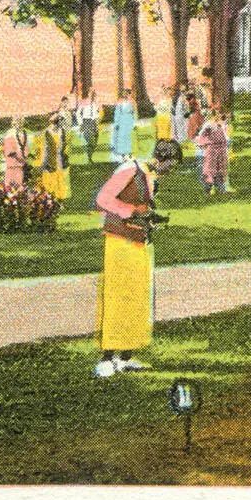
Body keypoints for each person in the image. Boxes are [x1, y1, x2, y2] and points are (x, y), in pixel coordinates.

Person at [92, 139, 180, 377]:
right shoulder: (130, 169)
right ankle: (107, 358)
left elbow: (142, 206)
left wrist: (150, 217)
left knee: (139, 297)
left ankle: (126, 356)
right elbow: (102, 199)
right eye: (170, 165)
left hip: (139, 241)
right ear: (161, 158)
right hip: (120, 240)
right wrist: (131, 212)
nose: (170, 171)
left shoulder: (151, 177)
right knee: (119, 296)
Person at [33, 112, 72, 201]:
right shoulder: (46, 133)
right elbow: (45, 150)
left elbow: (65, 146)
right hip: (50, 161)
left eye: (56, 122)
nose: (54, 124)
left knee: (61, 182)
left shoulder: (62, 131)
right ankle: (52, 201)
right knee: (51, 182)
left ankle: (61, 201)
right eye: (53, 122)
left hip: (60, 161)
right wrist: (42, 164)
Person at [195, 106, 230, 195]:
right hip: (211, 150)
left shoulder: (222, 125)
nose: (220, 116)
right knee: (210, 169)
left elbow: (225, 137)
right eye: (218, 114)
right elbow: (201, 136)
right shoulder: (208, 125)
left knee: (220, 168)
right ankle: (208, 189)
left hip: (221, 149)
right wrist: (202, 145)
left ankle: (222, 188)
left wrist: (226, 146)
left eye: (221, 114)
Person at [0, 115, 30, 189]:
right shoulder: (9, 134)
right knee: (9, 182)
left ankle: (19, 195)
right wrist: (11, 153)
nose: (18, 124)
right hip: (11, 163)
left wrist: (25, 155)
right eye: (16, 122)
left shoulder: (23, 134)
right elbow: (6, 148)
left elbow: (25, 147)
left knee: (19, 181)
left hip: (20, 163)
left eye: (20, 122)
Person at [109, 89, 136, 161]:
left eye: (129, 94)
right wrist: (117, 123)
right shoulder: (120, 103)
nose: (128, 96)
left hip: (129, 121)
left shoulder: (132, 103)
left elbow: (134, 113)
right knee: (122, 137)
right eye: (127, 94)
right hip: (122, 121)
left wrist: (134, 122)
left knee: (129, 137)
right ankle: (123, 154)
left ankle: (129, 153)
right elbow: (117, 114)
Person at [76, 92, 102, 165]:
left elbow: (97, 112)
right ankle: (89, 158)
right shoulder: (84, 102)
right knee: (89, 140)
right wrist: (81, 124)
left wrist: (97, 118)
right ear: (89, 95)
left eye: (94, 95)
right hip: (86, 121)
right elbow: (78, 113)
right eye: (92, 95)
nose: (93, 97)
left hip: (93, 122)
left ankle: (90, 155)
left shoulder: (95, 104)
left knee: (96, 139)